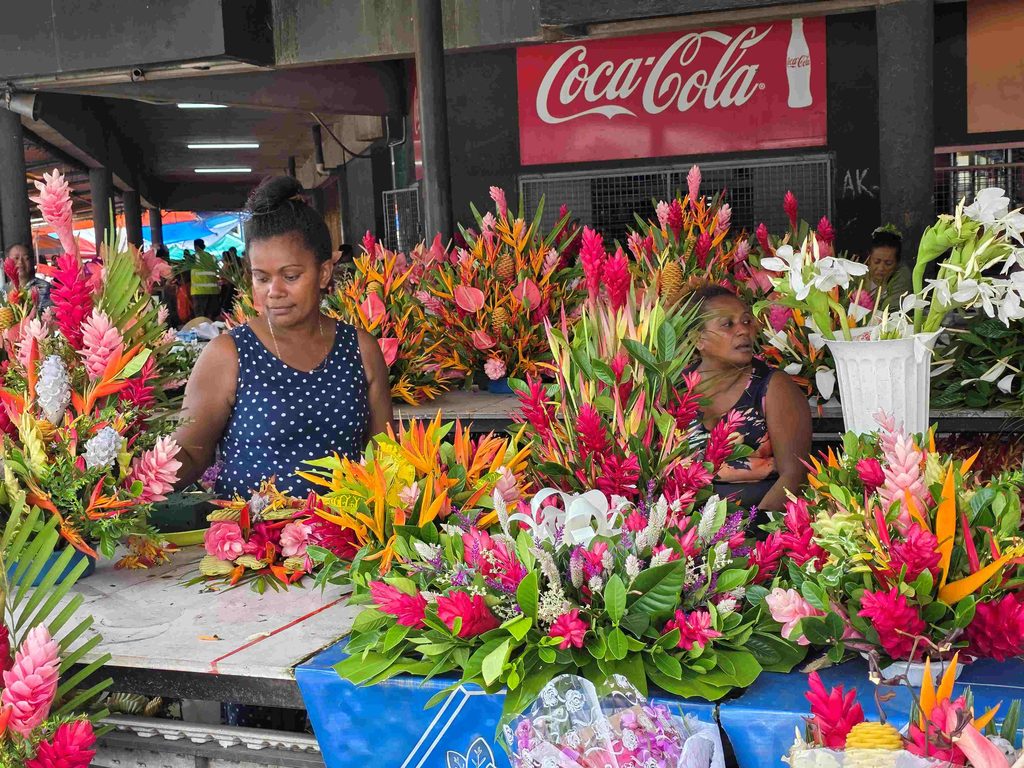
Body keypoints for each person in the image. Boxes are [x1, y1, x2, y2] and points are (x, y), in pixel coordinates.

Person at [172, 175, 393, 501]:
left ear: (324, 273)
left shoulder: (360, 350)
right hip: (251, 531)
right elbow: (191, 454)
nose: (274, 291)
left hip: (344, 530)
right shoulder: (229, 354)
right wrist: (123, 468)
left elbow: (385, 457)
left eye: (290, 276)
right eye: (261, 278)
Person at [689, 285, 812, 515]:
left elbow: (795, 474)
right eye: (728, 324)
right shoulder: (676, 389)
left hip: (760, 520)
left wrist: (752, 528)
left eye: (746, 321)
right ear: (698, 339)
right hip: (685, 522)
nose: (743, 330)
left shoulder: (774, 387)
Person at [863, 226, 912, 312]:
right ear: (869, 259)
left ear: (897, 263)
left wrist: (882, 287)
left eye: (888, 263)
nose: (881, 268)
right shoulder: (859, 275)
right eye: (876, 261)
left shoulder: (902, 275)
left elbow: (891, 310)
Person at [5, 243, 52, 311]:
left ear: (32, 262)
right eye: (16, 258)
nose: (20, 262)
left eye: (26, 258)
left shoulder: (45, 287)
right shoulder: (4, 290)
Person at [189, 238, 221, 320]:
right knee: (210, 315)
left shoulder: (194, 257)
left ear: (196, 247)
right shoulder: (212, 257)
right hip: (212, 291)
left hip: (199, 291)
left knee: (200, 316)